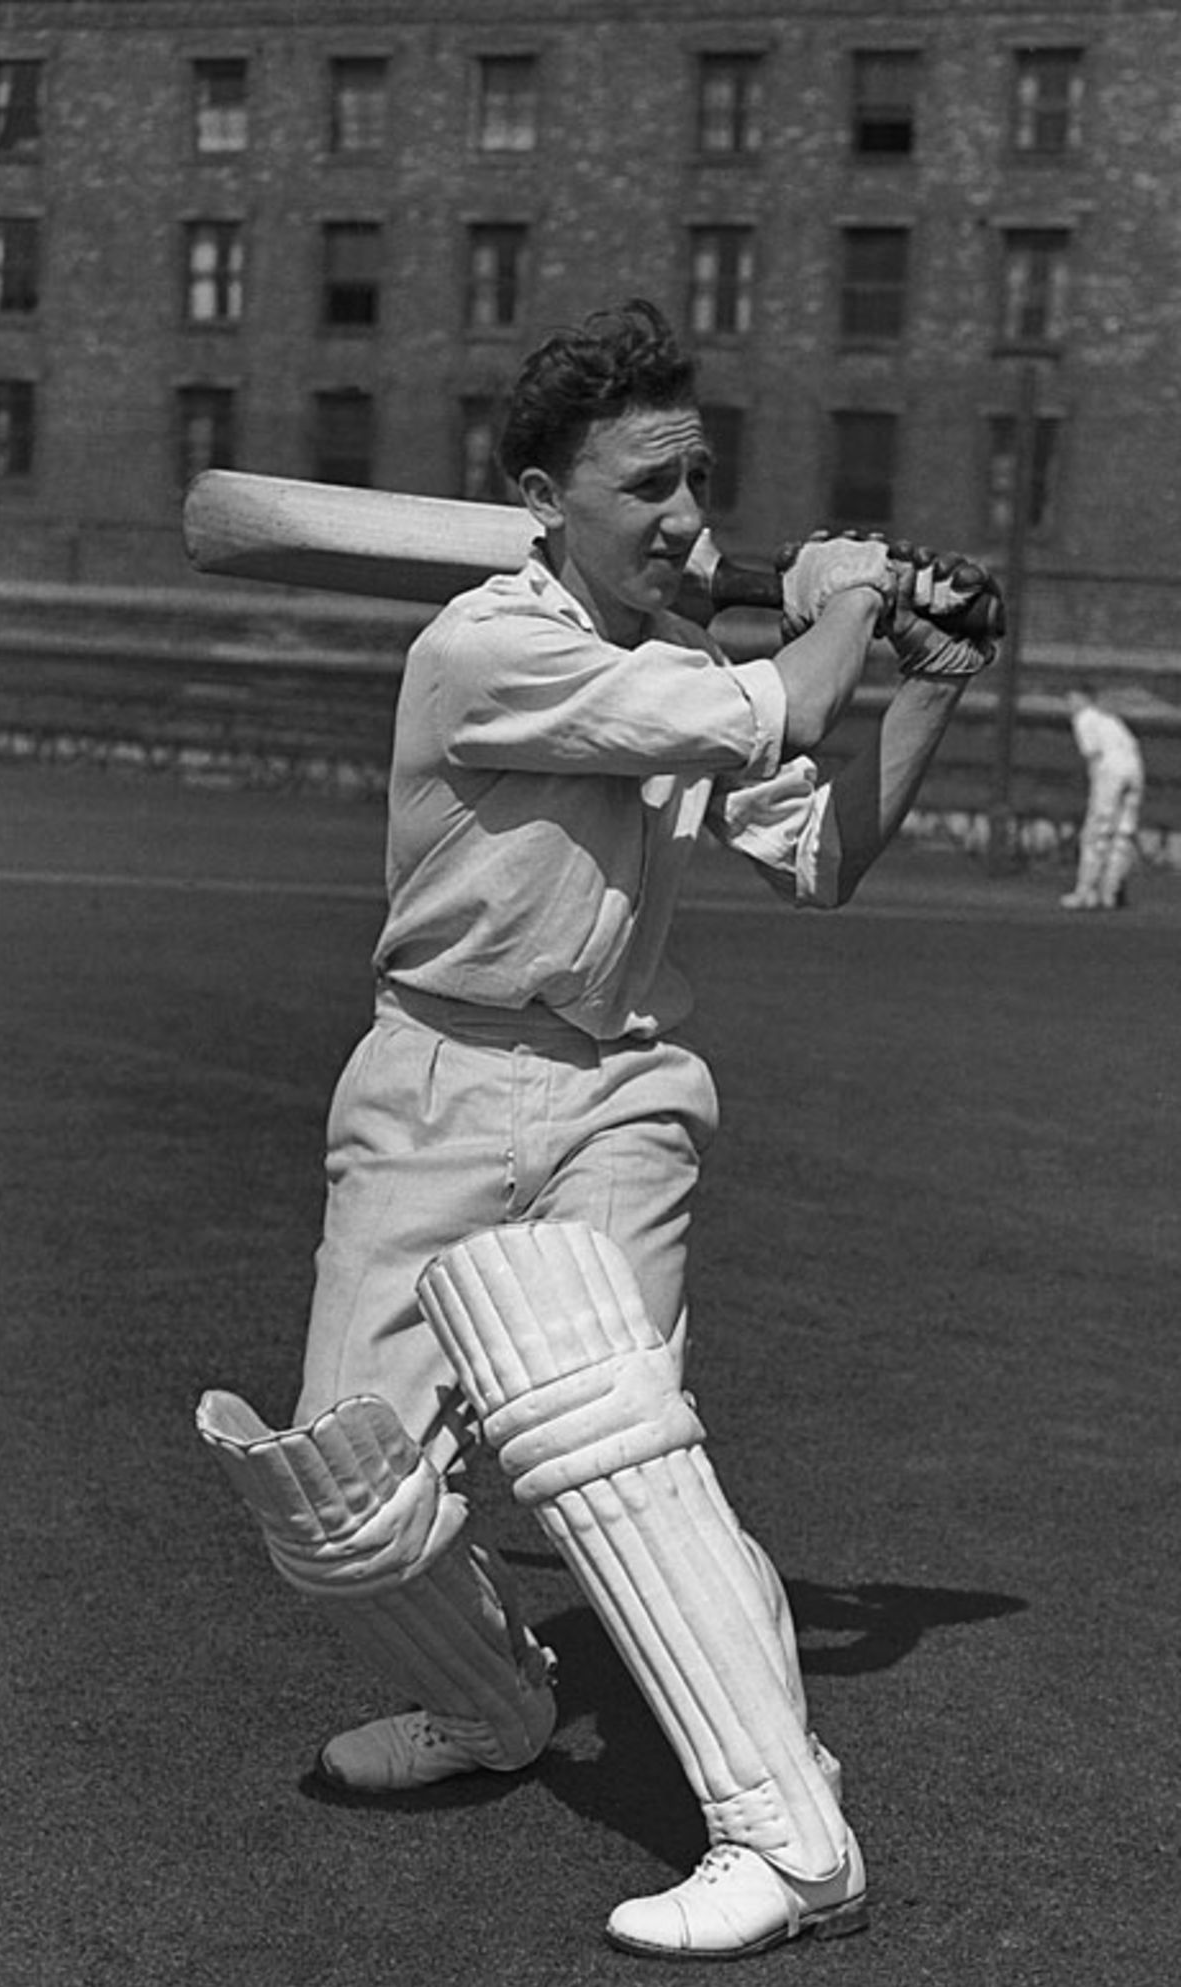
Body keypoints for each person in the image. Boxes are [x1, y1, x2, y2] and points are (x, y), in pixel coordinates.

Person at [195, 299, 997, 1961]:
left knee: (612, 1448)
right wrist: (846, 597)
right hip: (436, 1086)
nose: (691, 521)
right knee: (342, 1513)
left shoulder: (676, 657)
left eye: (699, 482)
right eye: (648, 488)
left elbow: (823, 849)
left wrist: (931, 675)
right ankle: (495, 1705)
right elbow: (761, 720)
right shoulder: (490, 647)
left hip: (620, 1085)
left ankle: (785, 1837)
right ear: (544, 493)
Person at [1060, 683, 1145, 910]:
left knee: (1095, 832)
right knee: (1123, 832)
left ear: (1083, 698)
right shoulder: (1111, 719)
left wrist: (1098, 789)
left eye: (1072, 699)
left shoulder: (1085, 718)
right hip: (1135, 770)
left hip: (1110, 771)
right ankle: (1110, 892)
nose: (1069, 705)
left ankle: (1086, 892)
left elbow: (1094, 754)